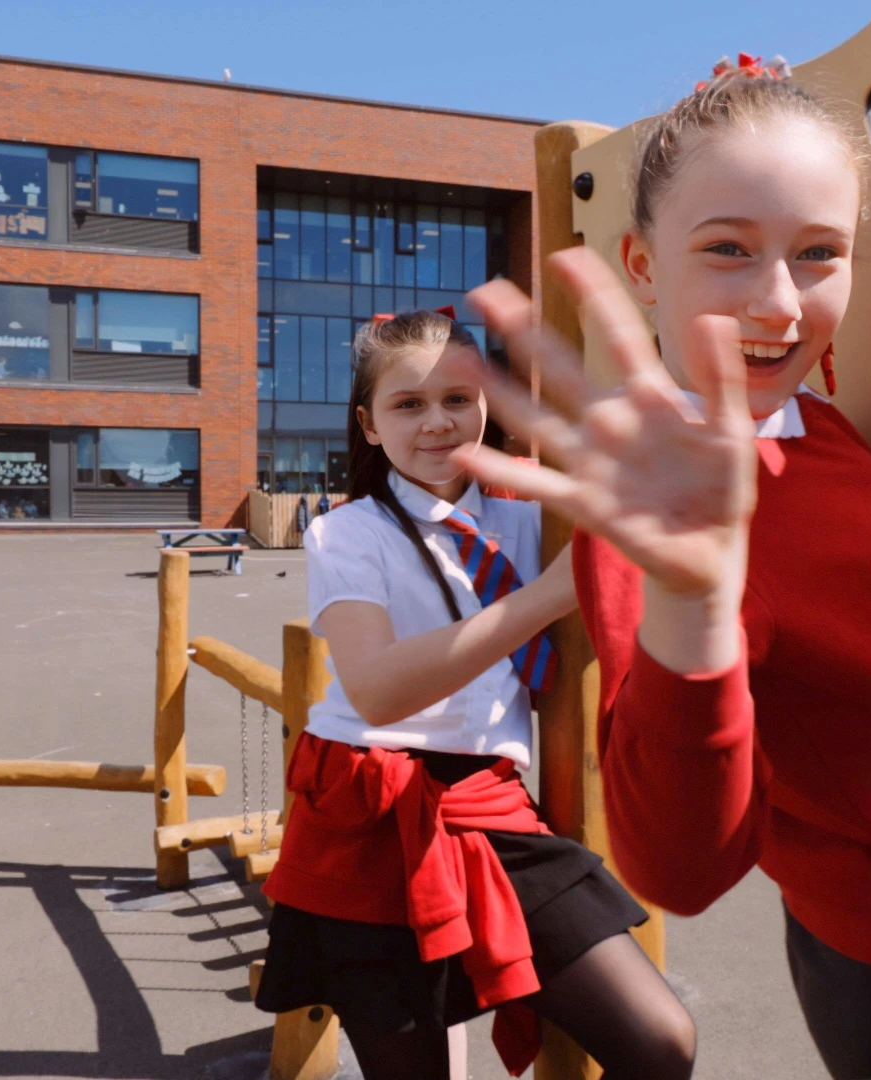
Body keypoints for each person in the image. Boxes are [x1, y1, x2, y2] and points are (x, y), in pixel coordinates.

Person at [456, 61, 871, 1080]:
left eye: (818, 254)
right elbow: (677, 865)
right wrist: (694, 599)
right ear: (640, 263)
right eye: (727, 250)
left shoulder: (819, 421)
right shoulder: (659, 512)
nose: (778, 301)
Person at [253, 309, 695, 1080]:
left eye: (459, 399)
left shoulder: (537, 516)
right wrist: (547, 597)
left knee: (660, 1041)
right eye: (408, 404)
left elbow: (659, 479)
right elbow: (379, 689)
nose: (437, 423)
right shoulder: (349, 532)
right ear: (367, 423)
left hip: (493, 806)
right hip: (368, 814)